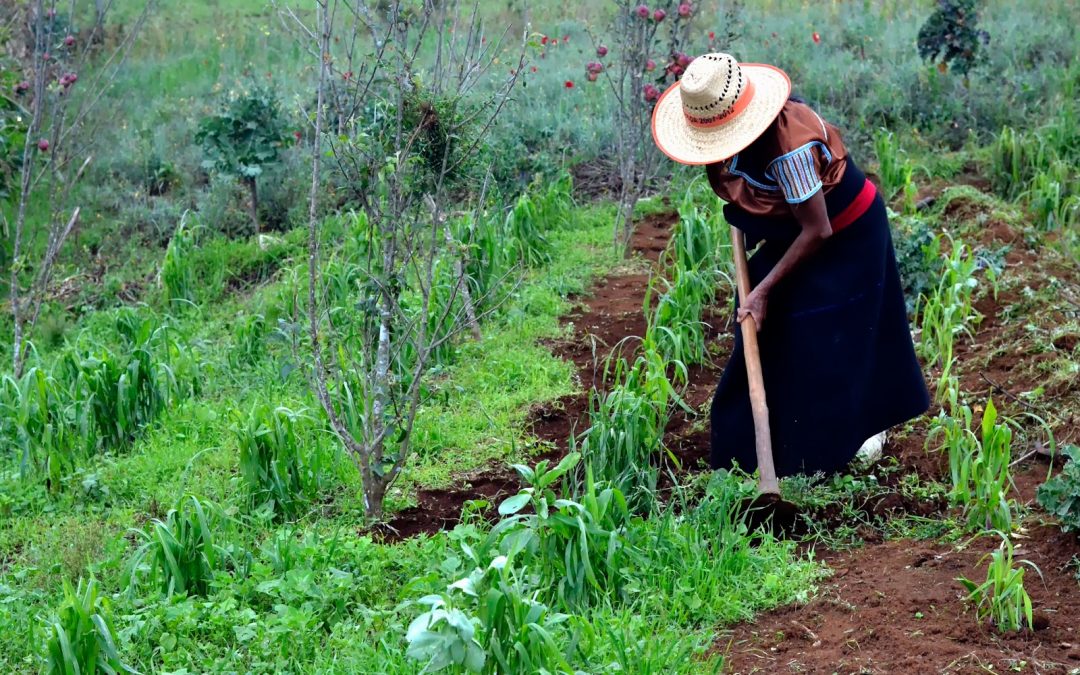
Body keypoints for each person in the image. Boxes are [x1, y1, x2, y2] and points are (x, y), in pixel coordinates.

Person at [650, 52, 929, 477]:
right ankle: (760, 446)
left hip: (847, 234)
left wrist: (763, 291)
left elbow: (818, 229)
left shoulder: (790, 151)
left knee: (823, 333)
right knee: (761, 321)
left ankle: (841, 443)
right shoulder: (734, 132)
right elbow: (763, 195)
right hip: (802, 229)